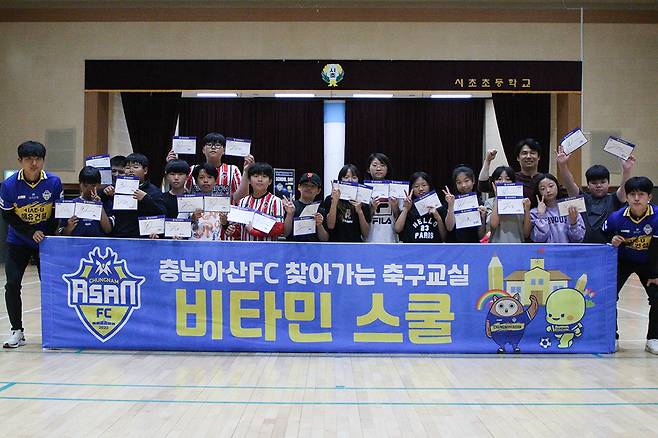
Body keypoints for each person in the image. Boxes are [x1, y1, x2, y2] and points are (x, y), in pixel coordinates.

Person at [1, 141, 63, 348]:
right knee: (12, 284)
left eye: (38, 159)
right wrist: (30, 232)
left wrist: (46, 233)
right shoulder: (9, 185)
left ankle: (54, 331)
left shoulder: (54, 182)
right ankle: (16, 331)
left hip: (45, 241)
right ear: (20, 161)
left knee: (50, 285)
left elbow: (57, 212)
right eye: (29, 159)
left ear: (43, 160)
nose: (34, 163)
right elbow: (8, 215)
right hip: (18, 241)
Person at [602, 176, 658, 354]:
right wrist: (612, 239)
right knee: (609, 296)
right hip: (623, 261)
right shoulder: (616, 218)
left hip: (649, 262)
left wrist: (655, 274)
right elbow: (602, 235)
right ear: (626, 197)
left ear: (649, 197)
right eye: (632, 194)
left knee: (657, 296)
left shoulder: (657, 217)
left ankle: (653, 339)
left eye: (641, 194)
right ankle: (612, 337)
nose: (636, 198)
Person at [557, 146, 636, 243]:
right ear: (588, 185)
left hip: (609, 248)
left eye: (603, 182)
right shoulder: (581, 199)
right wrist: (562, 165)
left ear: (609, 183)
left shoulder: (615, 199)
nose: (598, 185)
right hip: (585, 247)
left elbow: (625, 187)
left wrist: (627, 170)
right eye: (594, 183)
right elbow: (569, 183)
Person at [167, 132, 254, 204]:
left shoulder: (232, 170)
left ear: (224, 150)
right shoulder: (193, 169)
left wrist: (246, 171)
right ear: (203, 150)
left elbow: (241, 198)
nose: (213, 147)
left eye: (217, 145)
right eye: (209, 144)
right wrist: (172, 165)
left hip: (225, 217)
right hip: (197, 215)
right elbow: (181, 192)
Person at [110, 153, 166, 238]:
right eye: (128, 167)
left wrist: (145, 199)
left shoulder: (154, 191)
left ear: (145, 170)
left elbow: (162, 213)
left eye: (135, 167)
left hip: (144, 238)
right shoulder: (116, 188)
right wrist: (106, 193)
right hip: (119, 237)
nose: (131, 170)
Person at [234, 162, 285, 241]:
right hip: (246, 247)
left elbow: (279, 228)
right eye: (256, 176)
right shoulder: (243, 202)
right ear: (249, 180)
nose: (260, 179)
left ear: (270, 181)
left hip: (267, 248)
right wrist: (229, 228)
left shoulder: (276, 201)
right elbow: (239, 230)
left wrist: (254, 232)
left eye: (264, 176)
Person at [478, 140, 543, 200]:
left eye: (532, 153)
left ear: (539, 157)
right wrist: (488, 160)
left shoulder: (544, 179)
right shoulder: (511, 179)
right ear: (518, 158)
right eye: (524, 153)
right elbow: (482, 186)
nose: (528, 156)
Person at [57, 166, 112, 237]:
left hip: (98, 243)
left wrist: (99, 206)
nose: (89, 189)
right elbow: (60, 233)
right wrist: (69, 228)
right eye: (85, 185)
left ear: (99, 185)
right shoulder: (70, 205)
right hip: (75, 243)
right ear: (80, 184)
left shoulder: (106, 203)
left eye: (93, 185)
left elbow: (108, 230)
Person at [529, 173, 585, 243]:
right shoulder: (534, 212)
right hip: (546, 250)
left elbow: (578, 239)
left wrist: (574, 224)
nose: (548, 190)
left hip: (567, 249)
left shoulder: (569, 208)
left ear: (557, 186)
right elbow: (538, 239)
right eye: (543, 189)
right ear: (538, 192)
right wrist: (541, 216)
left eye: (551, 186)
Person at [322, 164, 371, 242]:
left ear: (358, 180)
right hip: (335, 245)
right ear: (340, 179)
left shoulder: (363, 201)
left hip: (355, 245)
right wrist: (334, 202)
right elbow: (330, 226)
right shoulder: (330, 199)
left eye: (354, 177)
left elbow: (365, 234)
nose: (350, 180)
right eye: (346, 177)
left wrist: (360, 211)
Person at [395, 171, 447, 243]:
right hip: (412, 248)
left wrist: (438, 217)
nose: (421, 189)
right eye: (416, 186)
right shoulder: (408, 205)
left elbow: (444, 237)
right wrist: (406, 209)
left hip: (433, 248)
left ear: (429, 186)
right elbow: (397, 229)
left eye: (424, 185)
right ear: (411, 189)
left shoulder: (438, 206)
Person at [484, 165, 532, 243]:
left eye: (508, 179)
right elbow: (494, 225)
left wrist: (527, 210)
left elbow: (526, 233)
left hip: (517, 246)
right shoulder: (489, 202)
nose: (503, 182)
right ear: (493, 183)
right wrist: (498, 197)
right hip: (496, 247)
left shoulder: (522, 202)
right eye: (499, 179)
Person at [189, 163, 236, 241]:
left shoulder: (223, 203)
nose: (205, 181)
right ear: (196, 182)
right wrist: (192, 219)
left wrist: (225, 224)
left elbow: (228, 230)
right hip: (192, 245)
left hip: (215, 245)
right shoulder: (188, 202)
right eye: (201, 177)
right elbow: (180, 228)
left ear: (215, 181)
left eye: (209, 177)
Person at [443, 165, 487, 243]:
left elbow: (481, 236)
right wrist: (451, 206)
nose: (463, 185)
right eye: (459, 182)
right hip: (454, 245)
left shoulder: (480, 203)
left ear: (473, 181)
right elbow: (449, 228)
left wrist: (483, 217)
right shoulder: (451, 201)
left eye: (466, 181)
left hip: (473, 246)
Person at [283, 172, 329, 242]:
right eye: (305, 185)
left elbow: (325, 239)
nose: (309, 188)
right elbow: (285, 234)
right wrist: (290, 215)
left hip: (314, 248)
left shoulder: (321, 211)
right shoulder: (290, 207)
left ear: (318, 190)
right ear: (299, 187)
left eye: (313, 186)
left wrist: (319, 225)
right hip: (292, 247)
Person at [365, 153, 400, 243]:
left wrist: (395, 207)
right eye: (374, 165)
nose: (378, 168)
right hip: (369, 240)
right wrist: (372, 208)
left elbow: (400, 220)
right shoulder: (363, 190)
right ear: (368, 169)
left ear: (387, 169)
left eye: (382, 165)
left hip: (391, 240)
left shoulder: (396, 189)